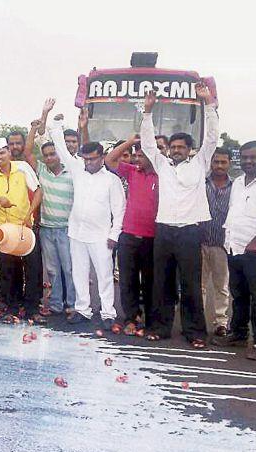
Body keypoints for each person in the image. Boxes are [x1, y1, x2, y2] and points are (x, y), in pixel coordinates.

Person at [141, 84, 218, 348]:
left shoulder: (200, 164)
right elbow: (148, 143)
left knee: (190, 284)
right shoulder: (162, 165)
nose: (175, 150)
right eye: (173, 146)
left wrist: (208, 105)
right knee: (161, 283)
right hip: (164, 231)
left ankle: (195, 332)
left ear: (189, 149)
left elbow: (211, 138)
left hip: (188, 231)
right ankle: (160, 327)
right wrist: (148, 113)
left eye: (180, 147)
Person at [48, 113, 125, 329]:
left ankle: (108, 312)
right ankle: (83, 309)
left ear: (102, 157)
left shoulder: (112, 180)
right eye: (86, 159)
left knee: (104, 275)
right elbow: (61, 149)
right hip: (77, 233)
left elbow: (120, 210)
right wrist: (57, 125)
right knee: (79, 273)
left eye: (92, 159)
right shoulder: (77, 171)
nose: (89, 163)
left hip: (101, 235)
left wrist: (114, 234)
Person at [213, 141, 256, 360]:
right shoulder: (239, 183)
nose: (248, 161)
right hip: (234, 246)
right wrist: (228, 239)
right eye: (245, 158)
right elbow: (234, 212)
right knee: (238, 293)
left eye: (253, 157)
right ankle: (239, 333)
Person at [0, 136, 45, 323]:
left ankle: (33, 308)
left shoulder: (23, 168)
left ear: (9, 152)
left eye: (2, 153)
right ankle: (12, 308)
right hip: (5, 230)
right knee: (8, 271)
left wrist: (29, 214)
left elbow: (39, 191)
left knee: (32, 269)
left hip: (25, 227)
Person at [105, 134, 158, 334]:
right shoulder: (132, 172)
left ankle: (152, 320)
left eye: (142, 156)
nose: (137, 159)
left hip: (152, 237)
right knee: (128, 280)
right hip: (128, 235)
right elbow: (109, 160)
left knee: (150, 281)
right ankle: (132, 317)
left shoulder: (162, 175)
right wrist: (130, 142)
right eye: (136, 155)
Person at [24, 112, 76, 317]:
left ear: (59, 154)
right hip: (46, 228)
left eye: (52, 154)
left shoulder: (72, 170)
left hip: (67, 229)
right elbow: (28, 152)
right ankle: (55, 304)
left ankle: (72, 304)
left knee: (70, 269)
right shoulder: (42, 171)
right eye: (45, 155)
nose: (49, 158)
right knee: (53, 269)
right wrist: (33, 129)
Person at [199, 148, 233, 337]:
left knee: (221, 285)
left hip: (222, 244)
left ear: (229, 164)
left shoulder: (235, 187)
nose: (219, 165)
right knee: (200, 285)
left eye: (223, 162)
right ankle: (198, 321)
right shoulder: (201, 184)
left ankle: (221, 322)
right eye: (216, 162)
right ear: (210, 163)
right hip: (200, 242)